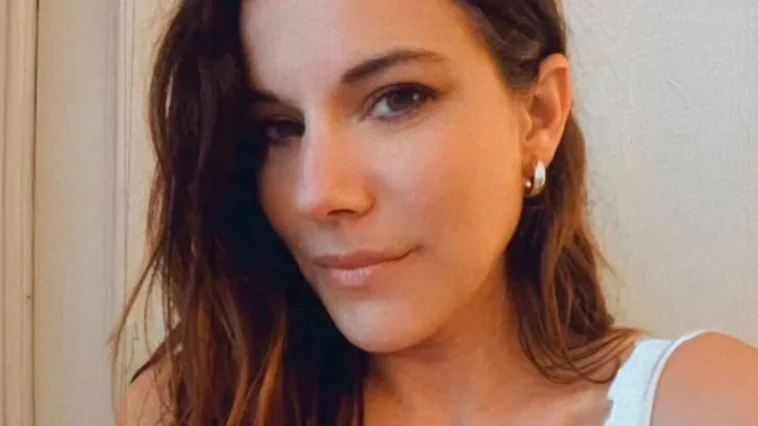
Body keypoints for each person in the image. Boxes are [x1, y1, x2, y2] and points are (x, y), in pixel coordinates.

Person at [115, 0, 758, 425]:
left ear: (538, 116)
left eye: (397, 99)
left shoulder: (703, 406)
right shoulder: (196, 407)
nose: (318, 193)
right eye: (279, 127)